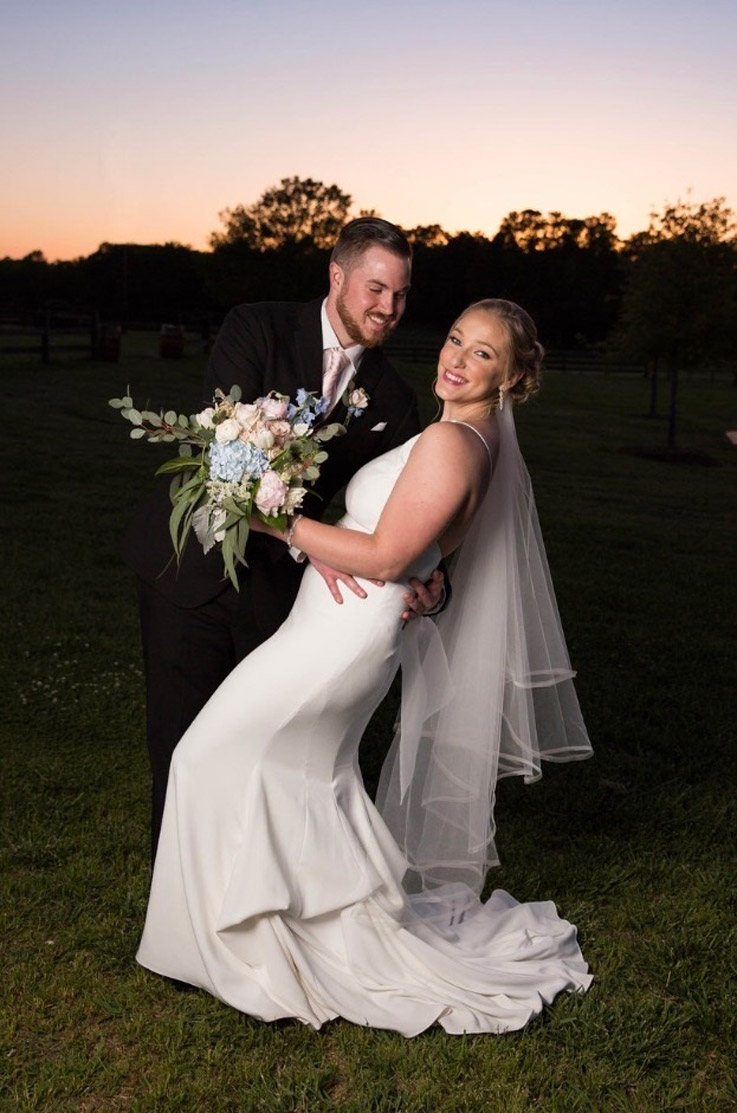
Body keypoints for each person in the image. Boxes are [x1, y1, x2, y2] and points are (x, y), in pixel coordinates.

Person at [136, 298, 594, 1036]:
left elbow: (384, 557)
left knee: (206, 755)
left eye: (482, 353)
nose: (456, 359)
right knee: (296, 779)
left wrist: (269, 516)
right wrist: (424, 575)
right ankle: (286, 925)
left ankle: (241, 942)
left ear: (510, 377)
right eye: (455, 339)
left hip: (338, 641)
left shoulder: (451, 441)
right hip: (335, 630)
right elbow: (425, 551)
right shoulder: (471, 439)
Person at [119, 218, 444, 859]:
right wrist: (308, 542)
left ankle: (246, 886)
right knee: (179, 746)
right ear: (337, 275)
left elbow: (403, 511)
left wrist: (432, 581)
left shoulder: (394, 399)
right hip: (190, 567)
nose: (389, 308)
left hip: (278, 598)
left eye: (402, 294)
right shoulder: (256, 327)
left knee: (259, 751)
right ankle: (175, 892)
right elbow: (224, 458)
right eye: (376, 289)